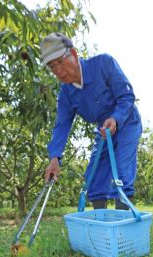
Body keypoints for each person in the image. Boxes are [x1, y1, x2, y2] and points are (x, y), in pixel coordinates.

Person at [40, 32, 142, 209]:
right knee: (94, 177)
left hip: (126, 122)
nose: (58, 71)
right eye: (52, 66)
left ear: (73, 54)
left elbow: (127, 96)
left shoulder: (103, 63)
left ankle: (122, 229)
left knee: (122, 174)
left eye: (60, 62)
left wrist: (116, 118)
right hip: (103, 130)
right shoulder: (66, 93)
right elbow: (61, 126)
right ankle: (100, 227)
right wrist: (54, 158)